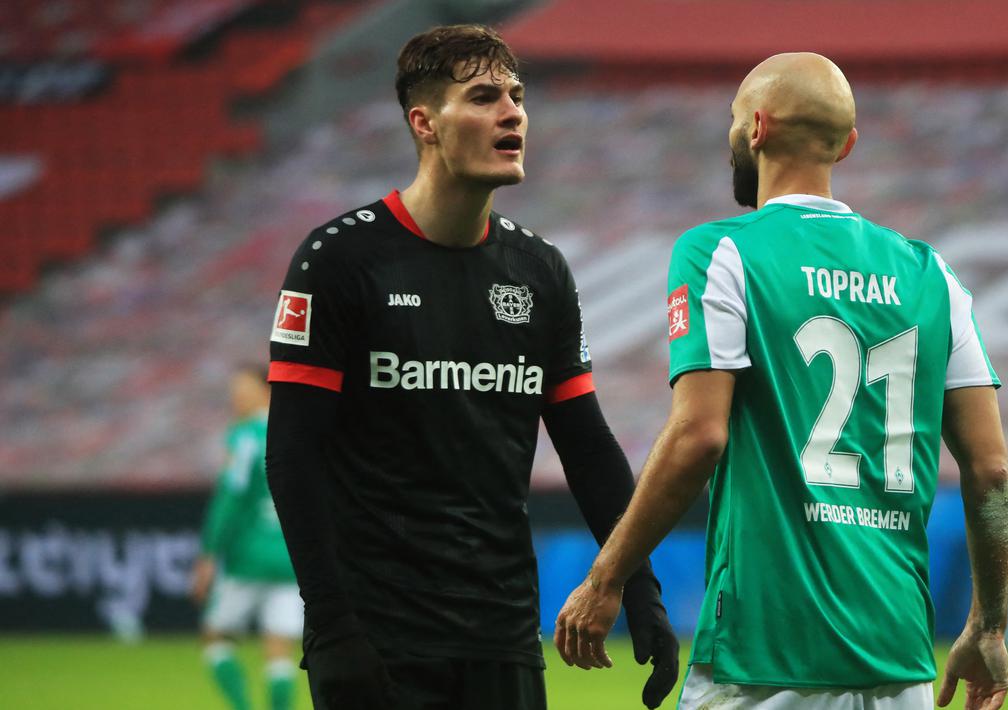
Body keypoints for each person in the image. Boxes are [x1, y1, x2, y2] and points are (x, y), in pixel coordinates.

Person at [555, 53, 1008, 710]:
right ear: (846, 144)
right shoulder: (930, 276)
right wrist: (988, 623)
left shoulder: (720, 251)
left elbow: (698, 436)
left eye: (733, 120)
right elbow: (992, 473)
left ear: (757, 129)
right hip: (897, 662)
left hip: (763, 656)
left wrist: (606, 577)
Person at [264, 24, 678, 710]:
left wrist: (639, 588)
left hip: (503, 635)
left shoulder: (540, 271)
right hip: (380, 639)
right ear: (423, 122)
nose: (512, 111)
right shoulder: (337, 260)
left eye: (516, 96)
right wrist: (333, 626)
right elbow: (292, 453)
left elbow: (588, 447)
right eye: (484, 96)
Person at [192, 365, 302, 710]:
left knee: (215, 635)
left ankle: (242, 707)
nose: (235, 396)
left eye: (242, 387)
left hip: (248, 558)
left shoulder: (245, 437)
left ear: (264, 390)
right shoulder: (296, 432)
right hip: (291, 559)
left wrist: (209, 553)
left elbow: (230, 497)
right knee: (279, 649)